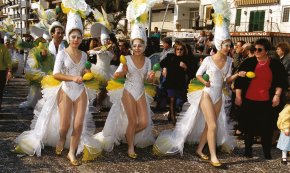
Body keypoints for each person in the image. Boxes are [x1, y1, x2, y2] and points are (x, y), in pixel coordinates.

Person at [153, 1, 242, 168]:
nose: (229, 47)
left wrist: (237, 75)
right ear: (219, 45)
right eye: (226, 44)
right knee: (213, 124)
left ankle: (200, 149)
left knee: (210, 125)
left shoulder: (230, 61)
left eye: (230, 45)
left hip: (219, 95)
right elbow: (197, 74)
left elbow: (227, 80)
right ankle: (213, 156)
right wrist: (204, 82)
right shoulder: (208, 59)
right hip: (206, 94)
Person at [14, 1, 101, 166]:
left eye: (79, 36)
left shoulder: (84, 55)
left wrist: (85, 74)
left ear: (82, 37)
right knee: (64, 125)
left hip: (80, 91)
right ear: (68, 37)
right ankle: (61, 139)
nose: (76, 39)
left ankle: (71, 152)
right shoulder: (62, 53)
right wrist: (72, 78)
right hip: (66, 90)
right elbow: (56, 74)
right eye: (73, 36)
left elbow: (82, 71)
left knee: (78, 124)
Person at [93, 1, 159, 158]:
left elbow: (151, 81)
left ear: (144, 46)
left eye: (140, 45)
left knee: (143, 122)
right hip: (128, 91)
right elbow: (116, 76)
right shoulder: (126, 59)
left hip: (141, 91)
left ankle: (127, 136)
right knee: (132, 120)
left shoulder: (148, 61)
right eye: (135, 45)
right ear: (132, 46)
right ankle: (130, 147)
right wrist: (122, 71)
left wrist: (152, 77)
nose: (137, 48)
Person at [235, 38, 288, 159]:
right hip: (249, 100)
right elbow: (239, 82)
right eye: (254, 49)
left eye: (259, 49)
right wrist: (238, 96)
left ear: (266, 51)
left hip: (266, 101)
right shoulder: (248, 62)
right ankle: (248, 150)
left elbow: (281, 81)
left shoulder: (275, 64)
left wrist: (277, 95)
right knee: (249, 126)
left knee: (267, 127)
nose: (256, 51)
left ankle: (266, 151)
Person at [160, 41, 190, 125]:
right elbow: (162, 63)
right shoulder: (171, 57)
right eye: (177, 49)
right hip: (170, 82)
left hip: (179, 83)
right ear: (175, 50)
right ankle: (173, 119)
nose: (179, 51)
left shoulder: (186, 59)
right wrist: (165, 68)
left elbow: (191, 72)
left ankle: (170, 115)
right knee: (172, 100)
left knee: (175, 99)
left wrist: (185, 67)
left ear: (184, 50)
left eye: (181, 49)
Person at [0, 40, 12, 110]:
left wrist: (9, 71)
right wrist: (9, 70)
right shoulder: (3, 48)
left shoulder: (3, 48)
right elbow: (8, 61)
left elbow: (8, 61)